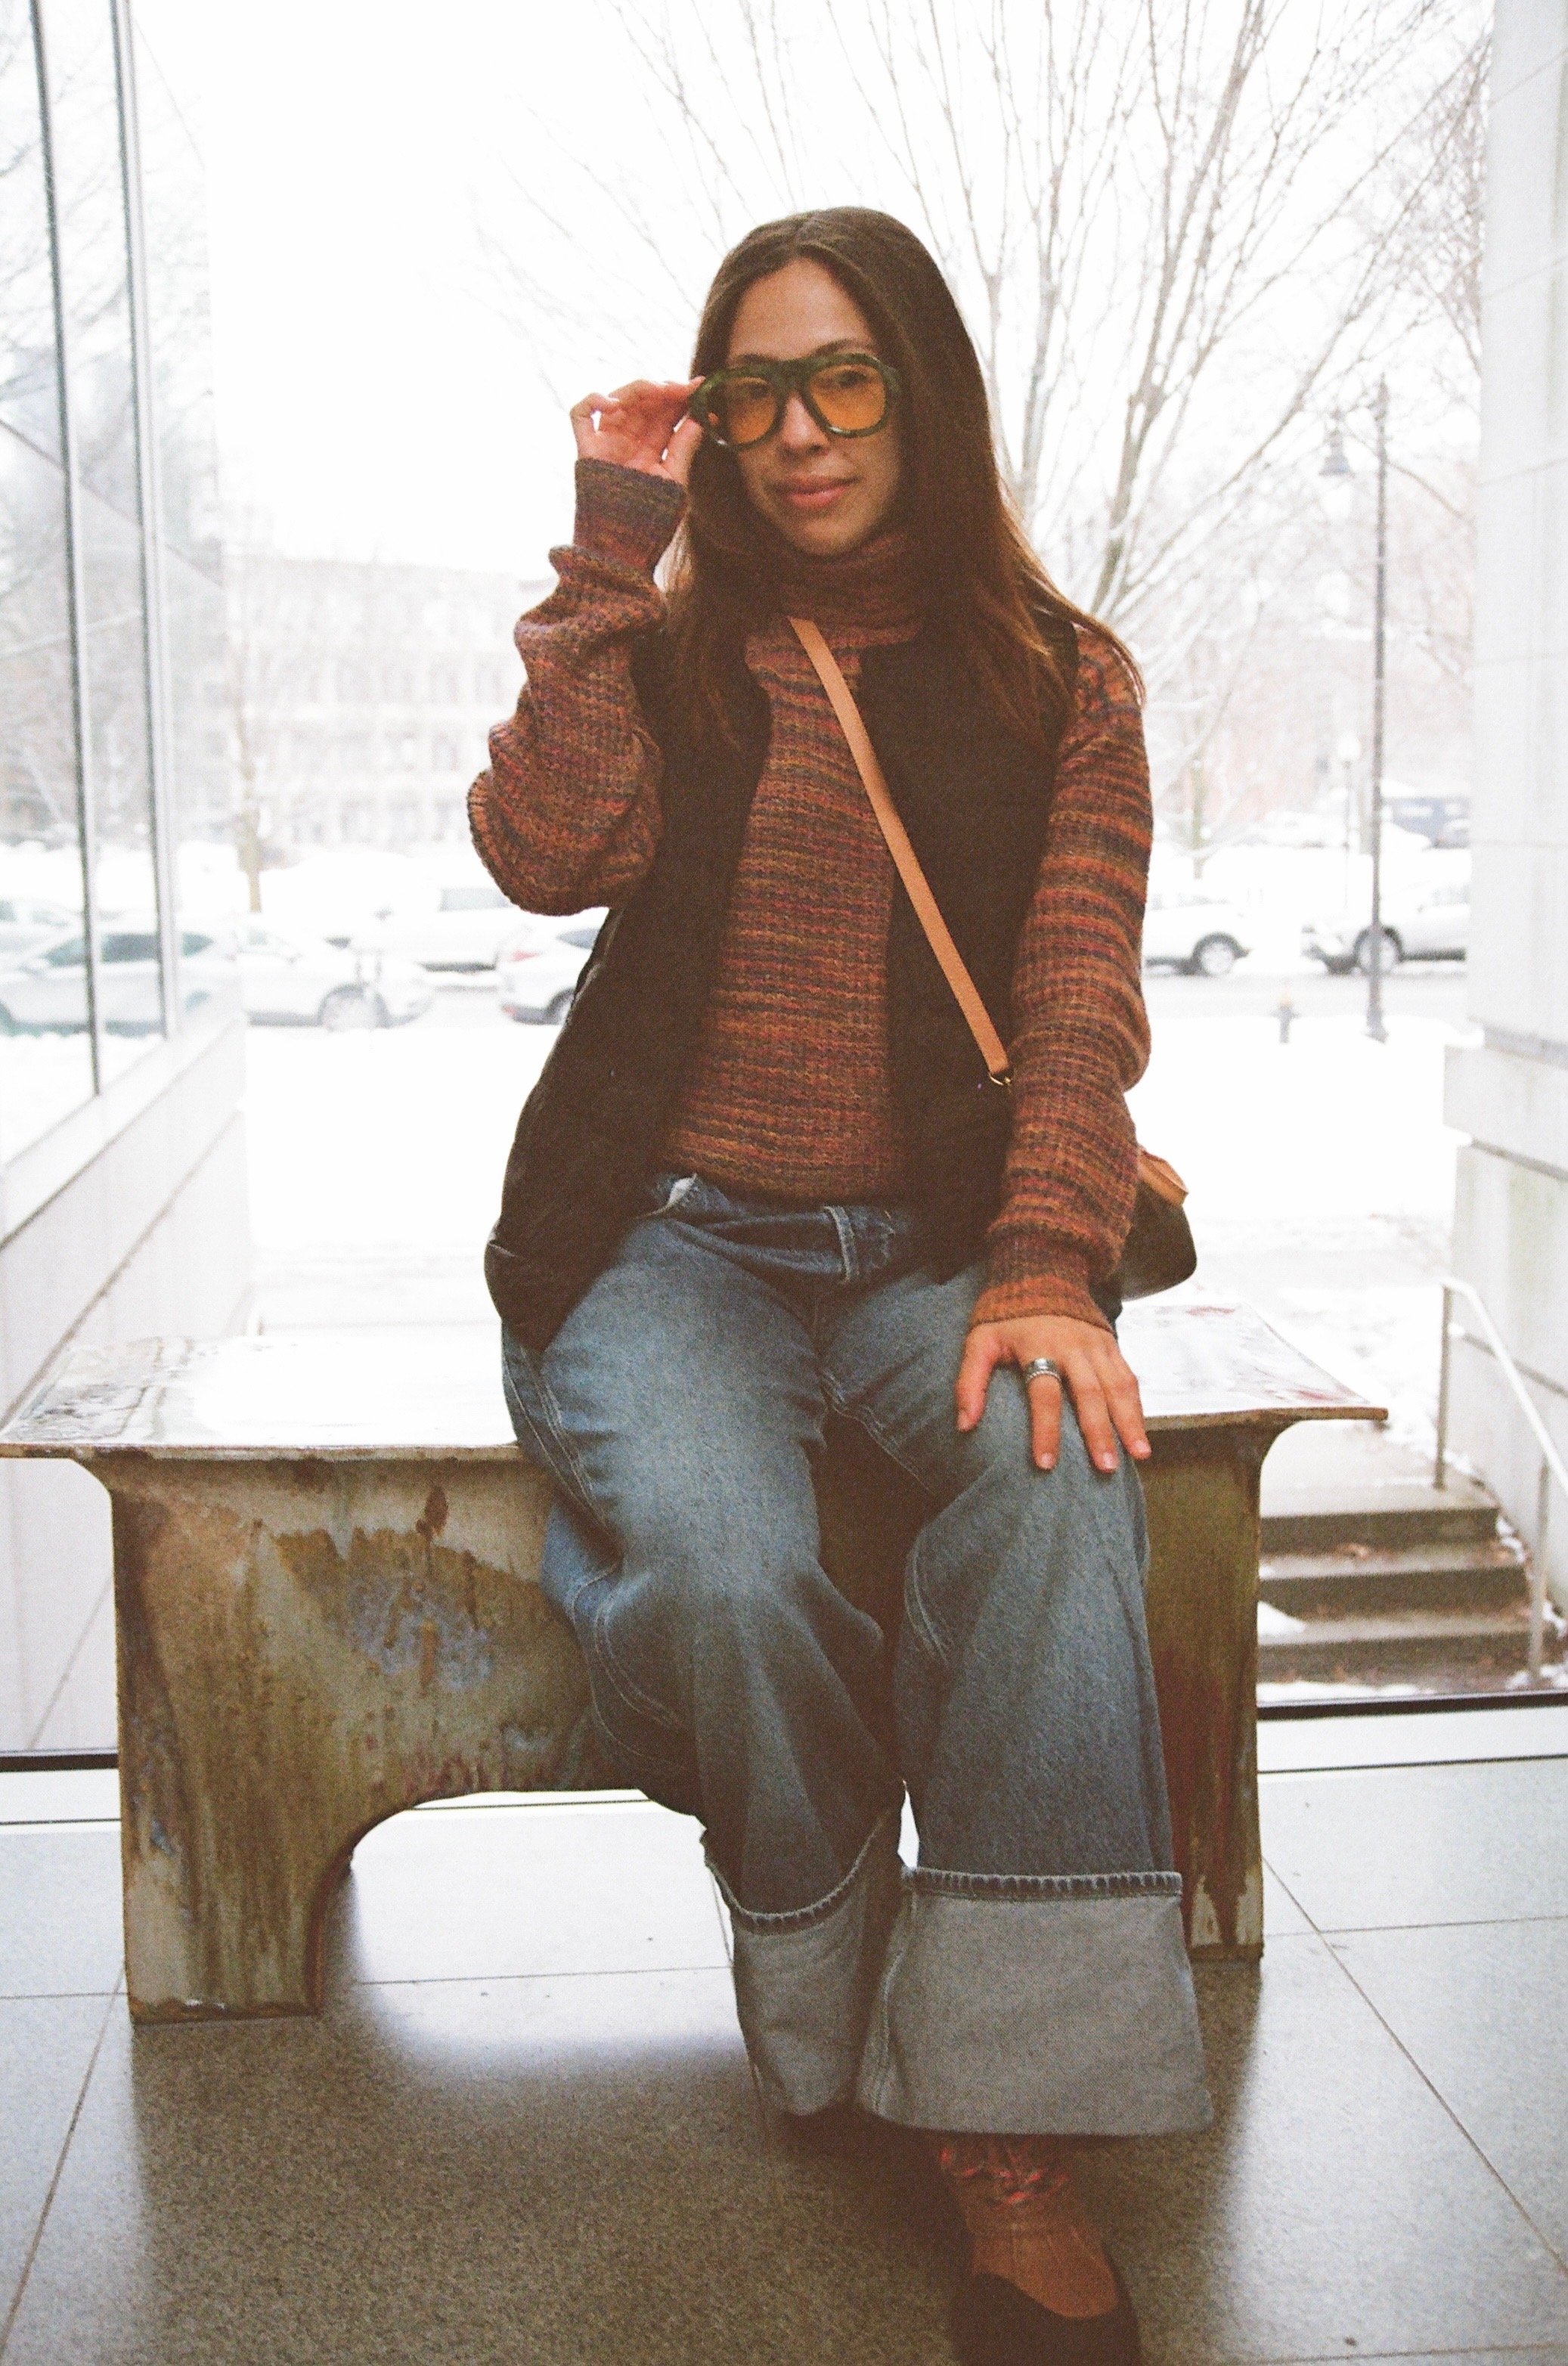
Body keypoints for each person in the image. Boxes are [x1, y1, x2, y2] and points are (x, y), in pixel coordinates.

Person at [469, 206, 1209, 2366]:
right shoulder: (672, 647)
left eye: (844, 378)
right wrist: (607, 555)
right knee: (716, 1574)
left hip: (936, 1248)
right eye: (754, 390)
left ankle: (1008, 2135)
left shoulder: (1060, 679)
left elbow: (1075, 995)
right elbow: (543, 854)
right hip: (665, 1239)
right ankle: (834, 1975)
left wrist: (1048, 1268)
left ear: (922, 392)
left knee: (1056, 1474)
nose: (798, 432)